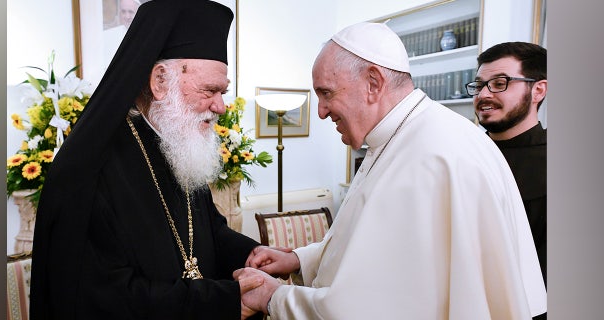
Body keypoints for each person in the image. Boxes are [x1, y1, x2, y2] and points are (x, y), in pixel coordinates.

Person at [234, 22, 547, 319]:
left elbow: (365, 307)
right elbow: (365, 248)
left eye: (327, 92)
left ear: (373, 83)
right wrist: (299, 258)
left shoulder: (428, 156)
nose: (321, 111)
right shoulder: (404, 138)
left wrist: (274, 296)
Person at [29, 1, 264, 319]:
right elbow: (103, 296)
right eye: (210, 90)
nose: (220, 106)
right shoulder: (86, 171)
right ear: (159, 81)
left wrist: (251, 254)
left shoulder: (179, 146)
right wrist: (220, 301)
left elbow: (211, 229)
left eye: (223, 91)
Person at [469, 41, 547, 319]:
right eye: (479, 85)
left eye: (500, 83)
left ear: (538, 90)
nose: (484, 94)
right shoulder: (462, 154)